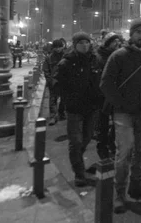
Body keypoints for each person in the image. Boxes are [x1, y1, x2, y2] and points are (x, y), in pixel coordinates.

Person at [101, 18, 141, 213]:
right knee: (124, 152)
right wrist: (120, 104)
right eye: (139, 32)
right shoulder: (118, 56)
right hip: (124, 113)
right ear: (131, 34)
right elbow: (106, 84)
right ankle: (119, 194)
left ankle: (136, 185)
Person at [55, 32, 103, 187]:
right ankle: (79, 173)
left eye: (86, 42)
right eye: (81, 42)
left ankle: (77, 158)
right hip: (74, 108)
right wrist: (68, 98)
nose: (84, 45)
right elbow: (56, 83)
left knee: (88, 136)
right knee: (75, 141)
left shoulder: (95, 60)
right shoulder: (67, 62)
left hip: (92, 106)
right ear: (75, 45)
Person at [95, 33, 122, 158]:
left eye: (118, 41)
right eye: (114, 41)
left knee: (118, 122)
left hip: (116, 95)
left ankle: (112, 143)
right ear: (107, 43)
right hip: (102, 96)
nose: (117, 43)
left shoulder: (119, 56)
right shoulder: (99, 57)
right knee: (103, 124)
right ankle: (102, 147)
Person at [44, 39, 67, 125]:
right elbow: (46, 70)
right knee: (53, 98)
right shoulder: (49, 58)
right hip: (53, 81)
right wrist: (49, 79)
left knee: (64, 98)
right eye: (56, 47)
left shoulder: (66, 56)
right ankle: (53, 116)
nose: (58, 49)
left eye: (59, 47)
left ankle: (61, 113)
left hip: (64, 80)